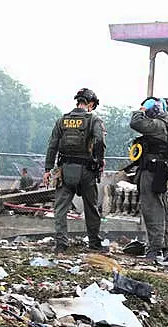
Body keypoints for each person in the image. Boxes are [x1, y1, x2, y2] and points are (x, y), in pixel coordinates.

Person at [43, 88, 106, 253]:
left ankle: (61, 244)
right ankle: (94, 243)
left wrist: (47, 169)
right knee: (91, 207)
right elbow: (99, 141)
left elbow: (52, 146)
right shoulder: (94, 120)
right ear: (90, 104)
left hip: (65, 170)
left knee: (60, 208)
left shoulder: (61, 120)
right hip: (87, 171)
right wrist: (99, 162)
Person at [130, 96, 168, 259]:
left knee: (152, 209)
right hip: (162, 170)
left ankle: (155, 248)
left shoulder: (158, 124)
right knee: (161, 207)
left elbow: (135, 123)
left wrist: (142, 110)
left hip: (153, 170)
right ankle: (163, 246)